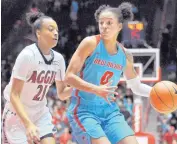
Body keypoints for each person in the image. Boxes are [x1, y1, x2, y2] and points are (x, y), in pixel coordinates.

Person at [65, 2, 152, 144]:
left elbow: (136, 87)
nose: (104, 26)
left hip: (109, 111)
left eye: (109, 23)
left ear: (119, 26)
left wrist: (155, 92)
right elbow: (68, 77)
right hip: (84, 111)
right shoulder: (90, 43)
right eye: (101, 23)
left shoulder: (125, 55)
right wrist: (96, 89)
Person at [2, 12, 72, 144]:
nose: (56, 33)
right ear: (38, 33)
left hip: (40, 113)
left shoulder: (59, 59)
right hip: (16, 114)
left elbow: (62, 94)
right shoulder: (27, 55)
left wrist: (81, 87)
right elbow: (14, 95)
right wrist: (28, 124)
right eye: (51, 29)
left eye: (57, 30)